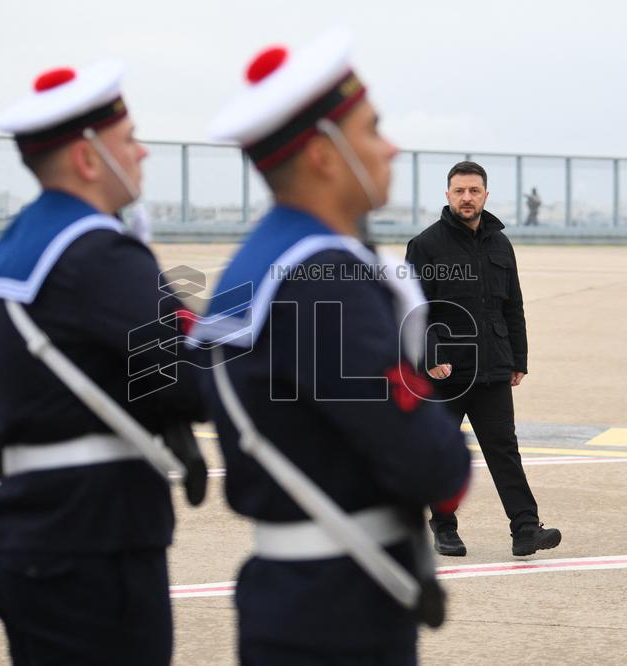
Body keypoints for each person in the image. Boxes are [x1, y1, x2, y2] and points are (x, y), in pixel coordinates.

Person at [194, 29, 471, 664]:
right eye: (372, 129)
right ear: (324, 154)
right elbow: (436, 470)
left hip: (297, 596)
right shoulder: (326, 277)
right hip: (339, 611)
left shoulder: (259, 261)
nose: (391, 147)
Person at [0, 62, 205, 665]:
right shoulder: (98, 253)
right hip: (96, 540)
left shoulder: (9, 252)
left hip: (33, 530)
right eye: (129, 139)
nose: (143, 152)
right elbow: (191, 379)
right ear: (89, 159)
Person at [406, 161, 561, 558]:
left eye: (474, 191)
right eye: (459, 191)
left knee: (504, 450)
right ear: (448, 196)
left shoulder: (499, 244)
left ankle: (526, 528)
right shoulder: (426, 245)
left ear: (485, 195)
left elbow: (513, 306)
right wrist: (430, 357)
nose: (467, 198)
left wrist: (519, 358)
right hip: (446, 372)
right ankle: (444, 526)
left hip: (493, 367)